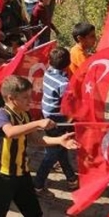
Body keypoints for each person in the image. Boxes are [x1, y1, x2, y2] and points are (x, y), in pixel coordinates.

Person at [0, 75, 78, 217]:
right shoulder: (2, 115)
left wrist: (59, 140)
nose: (30, 100)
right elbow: (10, 132)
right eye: (25, 97)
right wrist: (38, 123)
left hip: (23, 173)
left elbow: (36, 139)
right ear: (10, 98)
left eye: (30, 95)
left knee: (34, 213)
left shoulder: (25, 114)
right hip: (5, 176)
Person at [33, 47, 79, 196]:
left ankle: (72, 179)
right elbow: (68, 104)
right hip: (58, 121)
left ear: (49, 61)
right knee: (53, 153)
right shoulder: (64, 83)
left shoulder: (48, 73)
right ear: (68, 64)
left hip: (47, 116)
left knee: (60, 149)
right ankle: (38, 184)